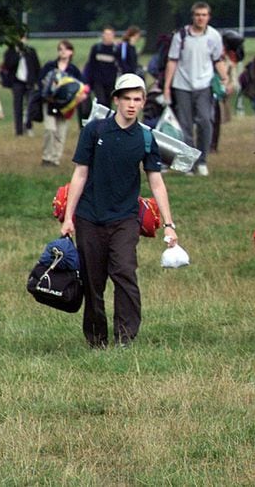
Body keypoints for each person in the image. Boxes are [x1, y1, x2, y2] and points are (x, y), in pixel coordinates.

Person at [59, 73, 179, 348]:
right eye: (127, 99)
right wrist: (68, 218)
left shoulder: (146, 139)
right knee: (92, 281)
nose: (132, 105)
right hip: (89, 216)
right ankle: (96, 338)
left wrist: (169, 224)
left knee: (125, 273)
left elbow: (156, 181)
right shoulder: (95, 130)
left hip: (125, 218)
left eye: (138, 99)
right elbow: (79, 173)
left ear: (143, 103)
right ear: (116, 100)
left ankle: (126, 337)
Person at [163, 1, 228, 177]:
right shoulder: (181, 36)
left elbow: (218, 59)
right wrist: (167, 87)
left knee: (205, 121)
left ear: (209, 17)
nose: (201, 18)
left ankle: (202, 161)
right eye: (198, 15)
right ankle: (189, 164)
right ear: (193, 16)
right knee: (185, 126)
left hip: (204, 85)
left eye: (204, 15)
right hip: (182, 85)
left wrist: (225, 78)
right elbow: (172, 60)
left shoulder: (214, 36)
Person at [36, 40, 87, 167]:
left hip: (65, 107)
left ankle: (55, 159)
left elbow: (83, 87)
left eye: (66, 49)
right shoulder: (50, 66)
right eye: (60, 49)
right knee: (50, 129)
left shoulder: (73, 70)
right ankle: (46, 157)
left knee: (61, 132)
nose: (63, 51)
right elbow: (40, 81)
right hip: (50, 102)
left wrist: (79, 98)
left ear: (71, 52)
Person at [0, 35, 40, 136]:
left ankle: (28, 126)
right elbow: (8, 65)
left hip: (29, 82)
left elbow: (36, 67)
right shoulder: (10, 52)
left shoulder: (31, 51)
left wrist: (37, 81)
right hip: (16, 82)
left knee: (30, 105)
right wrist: (18, 54)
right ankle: (19, 131)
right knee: (18, 107)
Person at [84, 26, 120, 110]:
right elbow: (91, 64)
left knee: (108, 103)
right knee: (101, 101)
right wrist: (88, 80)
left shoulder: (116, 50)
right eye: (106, 34)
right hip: (98, 80)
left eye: (110, 34)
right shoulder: (96, 48)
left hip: (110, 81)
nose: (108, 36)